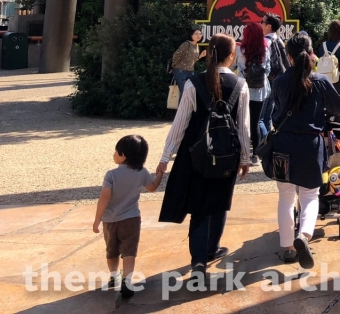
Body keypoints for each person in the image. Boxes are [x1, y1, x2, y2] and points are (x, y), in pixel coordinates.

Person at [156, 34, 251, 282]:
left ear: (209, 54)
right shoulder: (241, 86)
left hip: (195, 156)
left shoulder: (193, 83)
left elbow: (180, 123)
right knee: (219, 203)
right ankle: (211, 249)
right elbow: (244, 128)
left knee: (198, 207)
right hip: (226, 155)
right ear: (231, 56)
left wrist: (166, 156)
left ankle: (198, 260)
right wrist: (245, 158)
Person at [269, 32, 340, 268]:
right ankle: (303, 235)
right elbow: (339, 106)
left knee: (285, 197)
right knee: (310, 195)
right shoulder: (320, 81)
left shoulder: (279, 82)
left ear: (288, 56)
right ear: (311, 52)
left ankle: (288, 249)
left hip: (283, 144)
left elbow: (275, 114)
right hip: (310, 145)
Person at [92, 135, 163, 298]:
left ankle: (113, 275)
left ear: (123, 155)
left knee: (112, 250)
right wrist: (159, 175)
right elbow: (152, 188)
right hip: (131, 219)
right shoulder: (142, 173)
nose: (114, 154)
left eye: (116, 152)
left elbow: (104, 198)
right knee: (129, 251)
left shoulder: (111, 175)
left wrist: (97, 219)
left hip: (110, 221)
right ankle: (127, 280)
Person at [237, 22, 270, 163]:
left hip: (242, 88)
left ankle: (240, 152)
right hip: (260, 90)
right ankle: (256, 155)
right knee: (255, 122)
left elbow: (233, 65)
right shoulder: (265, 49)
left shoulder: (240, 50)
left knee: (241, 121)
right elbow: (268, 70)